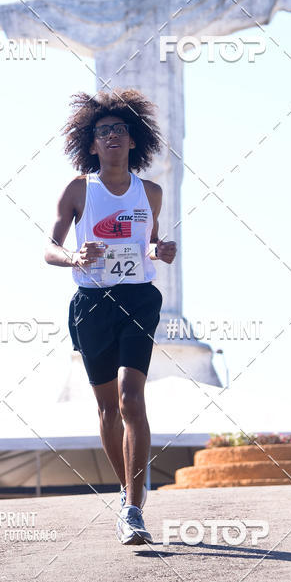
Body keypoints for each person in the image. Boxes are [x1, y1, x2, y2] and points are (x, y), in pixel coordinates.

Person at [45, 88, 177, 544]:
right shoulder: (80, 189)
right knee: (106, 409)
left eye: (120, 130)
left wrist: (161, 250)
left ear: (134, 140)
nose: (113, 137)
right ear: (93, 144)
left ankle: (135, 508)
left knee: (130, 398)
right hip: (91, 305)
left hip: (138, 298)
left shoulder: (151, 193)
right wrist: (75, 256)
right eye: (104, 133)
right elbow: (50, 247)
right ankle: (128, 492)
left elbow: (151, 244)